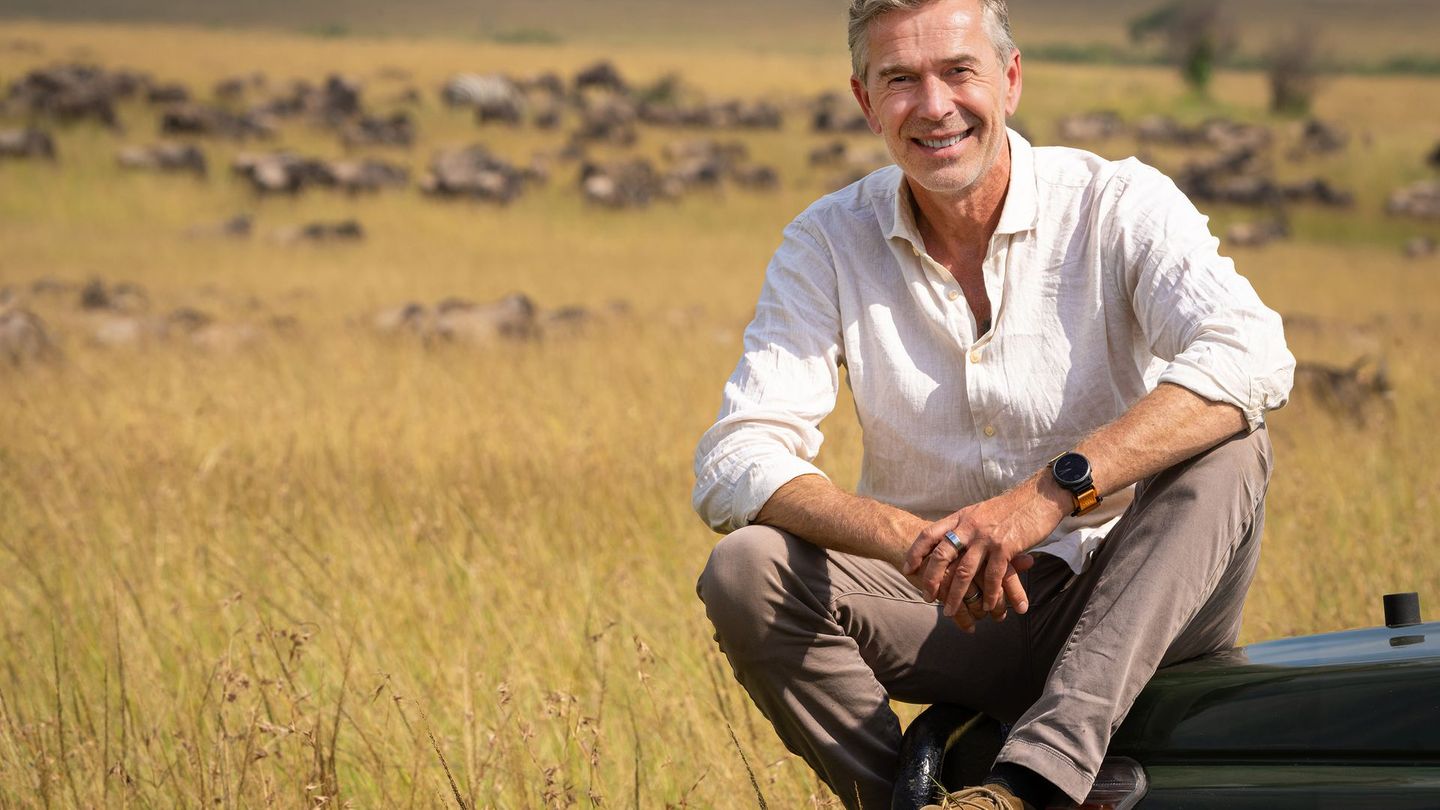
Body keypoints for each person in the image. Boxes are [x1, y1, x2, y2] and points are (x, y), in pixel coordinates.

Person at [690, 0, 1295, 808]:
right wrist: (909, 539)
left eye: (957, 71)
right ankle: (911, 800)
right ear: (866, 101)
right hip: (947, 605)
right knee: (745, 569)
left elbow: (1252, 353)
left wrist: (1046, 498)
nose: (934, 106)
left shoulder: (1117, 203)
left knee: (1229, 440)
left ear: (1009, 79)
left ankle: (1028, 787)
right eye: (901, 79)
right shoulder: (826, 242)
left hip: (1132, 592)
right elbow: (736, 458)